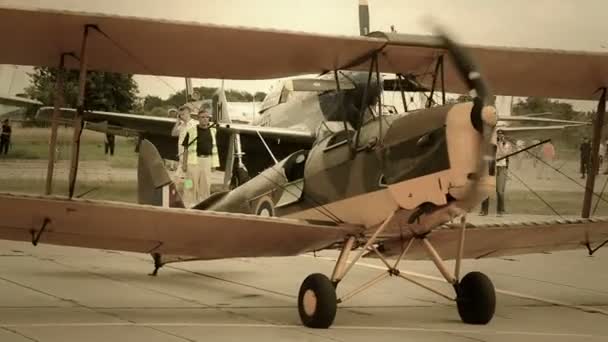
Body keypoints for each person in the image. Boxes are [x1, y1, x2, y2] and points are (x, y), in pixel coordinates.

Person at [480, 129, 512, 216]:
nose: (500, 137)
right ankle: (484, 210)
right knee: (487, 188)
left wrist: (499, 144)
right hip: (491, 167)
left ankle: (500, 211)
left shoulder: (507, 144)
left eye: (502, 135)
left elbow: (505, 154)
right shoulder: (492, 145)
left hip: (501, 168)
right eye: (498, 135)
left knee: (500, 191)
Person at [171, 106, 199, 205]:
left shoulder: (195, 124)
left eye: (183, 114)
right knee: (177, 181)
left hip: (190, 157)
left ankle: (190, 203)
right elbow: (173, 133)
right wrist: (177, 121)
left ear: (189, 113)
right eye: (180, 114)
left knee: (188, 182)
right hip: (181, 158)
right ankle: (181, 201)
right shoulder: (181, 125)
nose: (182, 116)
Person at [195, 109, 219, 202]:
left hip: (207, 160)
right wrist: (185, 163)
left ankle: (204, 202)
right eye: (202, 117)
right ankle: (189, 201)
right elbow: (186, 148)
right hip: (193, 160)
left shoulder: (213, 131)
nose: (205, 119)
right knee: (189, 182)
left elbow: (214, 148)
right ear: (198, 118)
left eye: (207, 117)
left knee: (206, 182)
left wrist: (214, 163)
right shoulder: (192, 130)